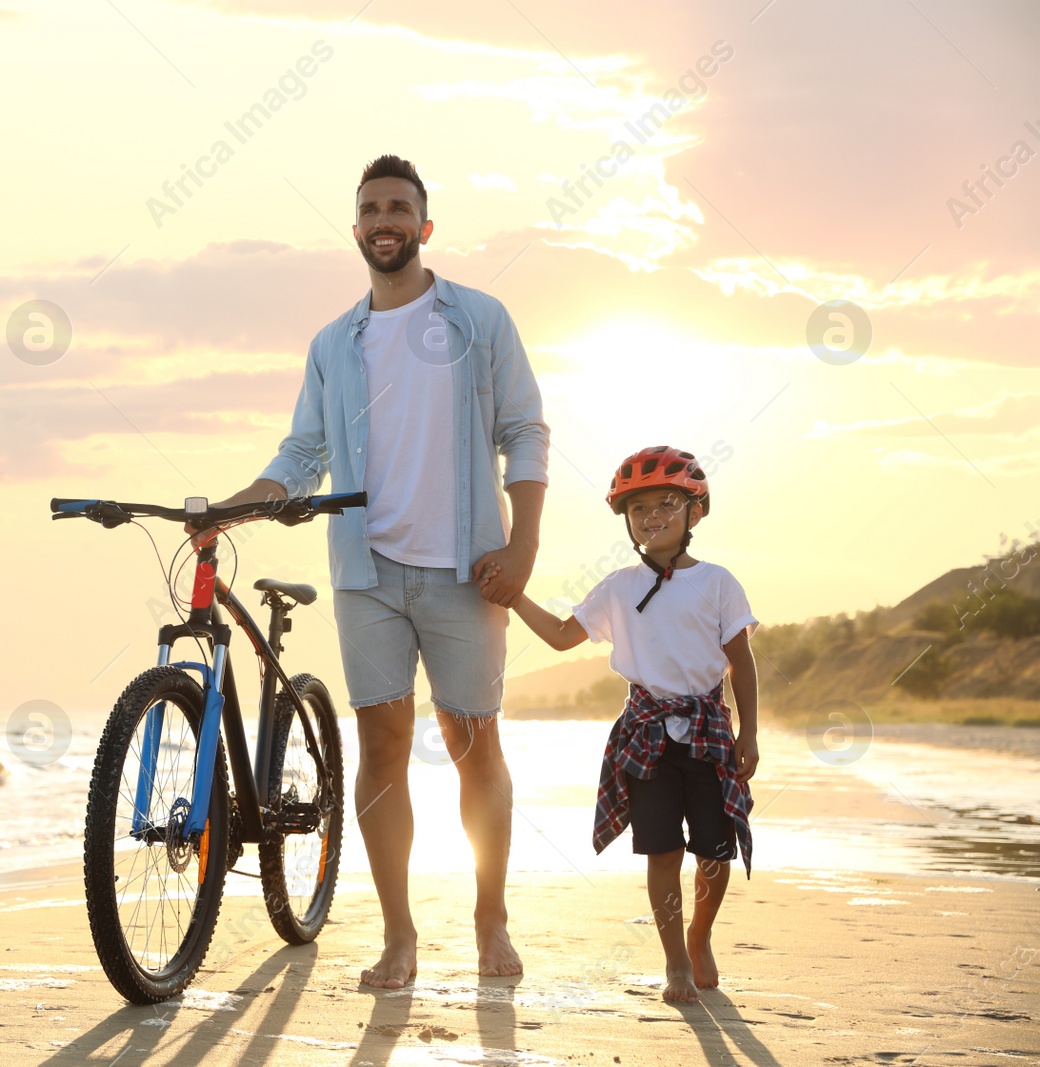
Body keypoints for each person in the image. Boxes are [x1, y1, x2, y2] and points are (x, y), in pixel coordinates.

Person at [197, 154, 551, 988]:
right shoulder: (334, 343)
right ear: (356, 229)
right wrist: (238, 503)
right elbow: (304, 452)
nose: (383, 219)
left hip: (467, 572)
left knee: (474, 746)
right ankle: (400, 936)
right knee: (383, 747)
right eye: (369, 208)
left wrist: (524, 542)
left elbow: (525, 430)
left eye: (399, 207)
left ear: (424, 227)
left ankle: (490, 917)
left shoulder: (479, 320)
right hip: (368, 576)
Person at [481, 445, 759, 1003]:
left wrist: (747, 734)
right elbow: (563, 635)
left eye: (667, 503)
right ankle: (675, 959)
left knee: (714, 849)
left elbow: (742, 662)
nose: (652, 516)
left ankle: (700, 934)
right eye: (639, 509)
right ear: (626, 520)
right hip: (645, 735)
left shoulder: (720, 582)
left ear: (694, 512)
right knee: (661, 850)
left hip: (707, 732)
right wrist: (514, 598)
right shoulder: (618, 587)